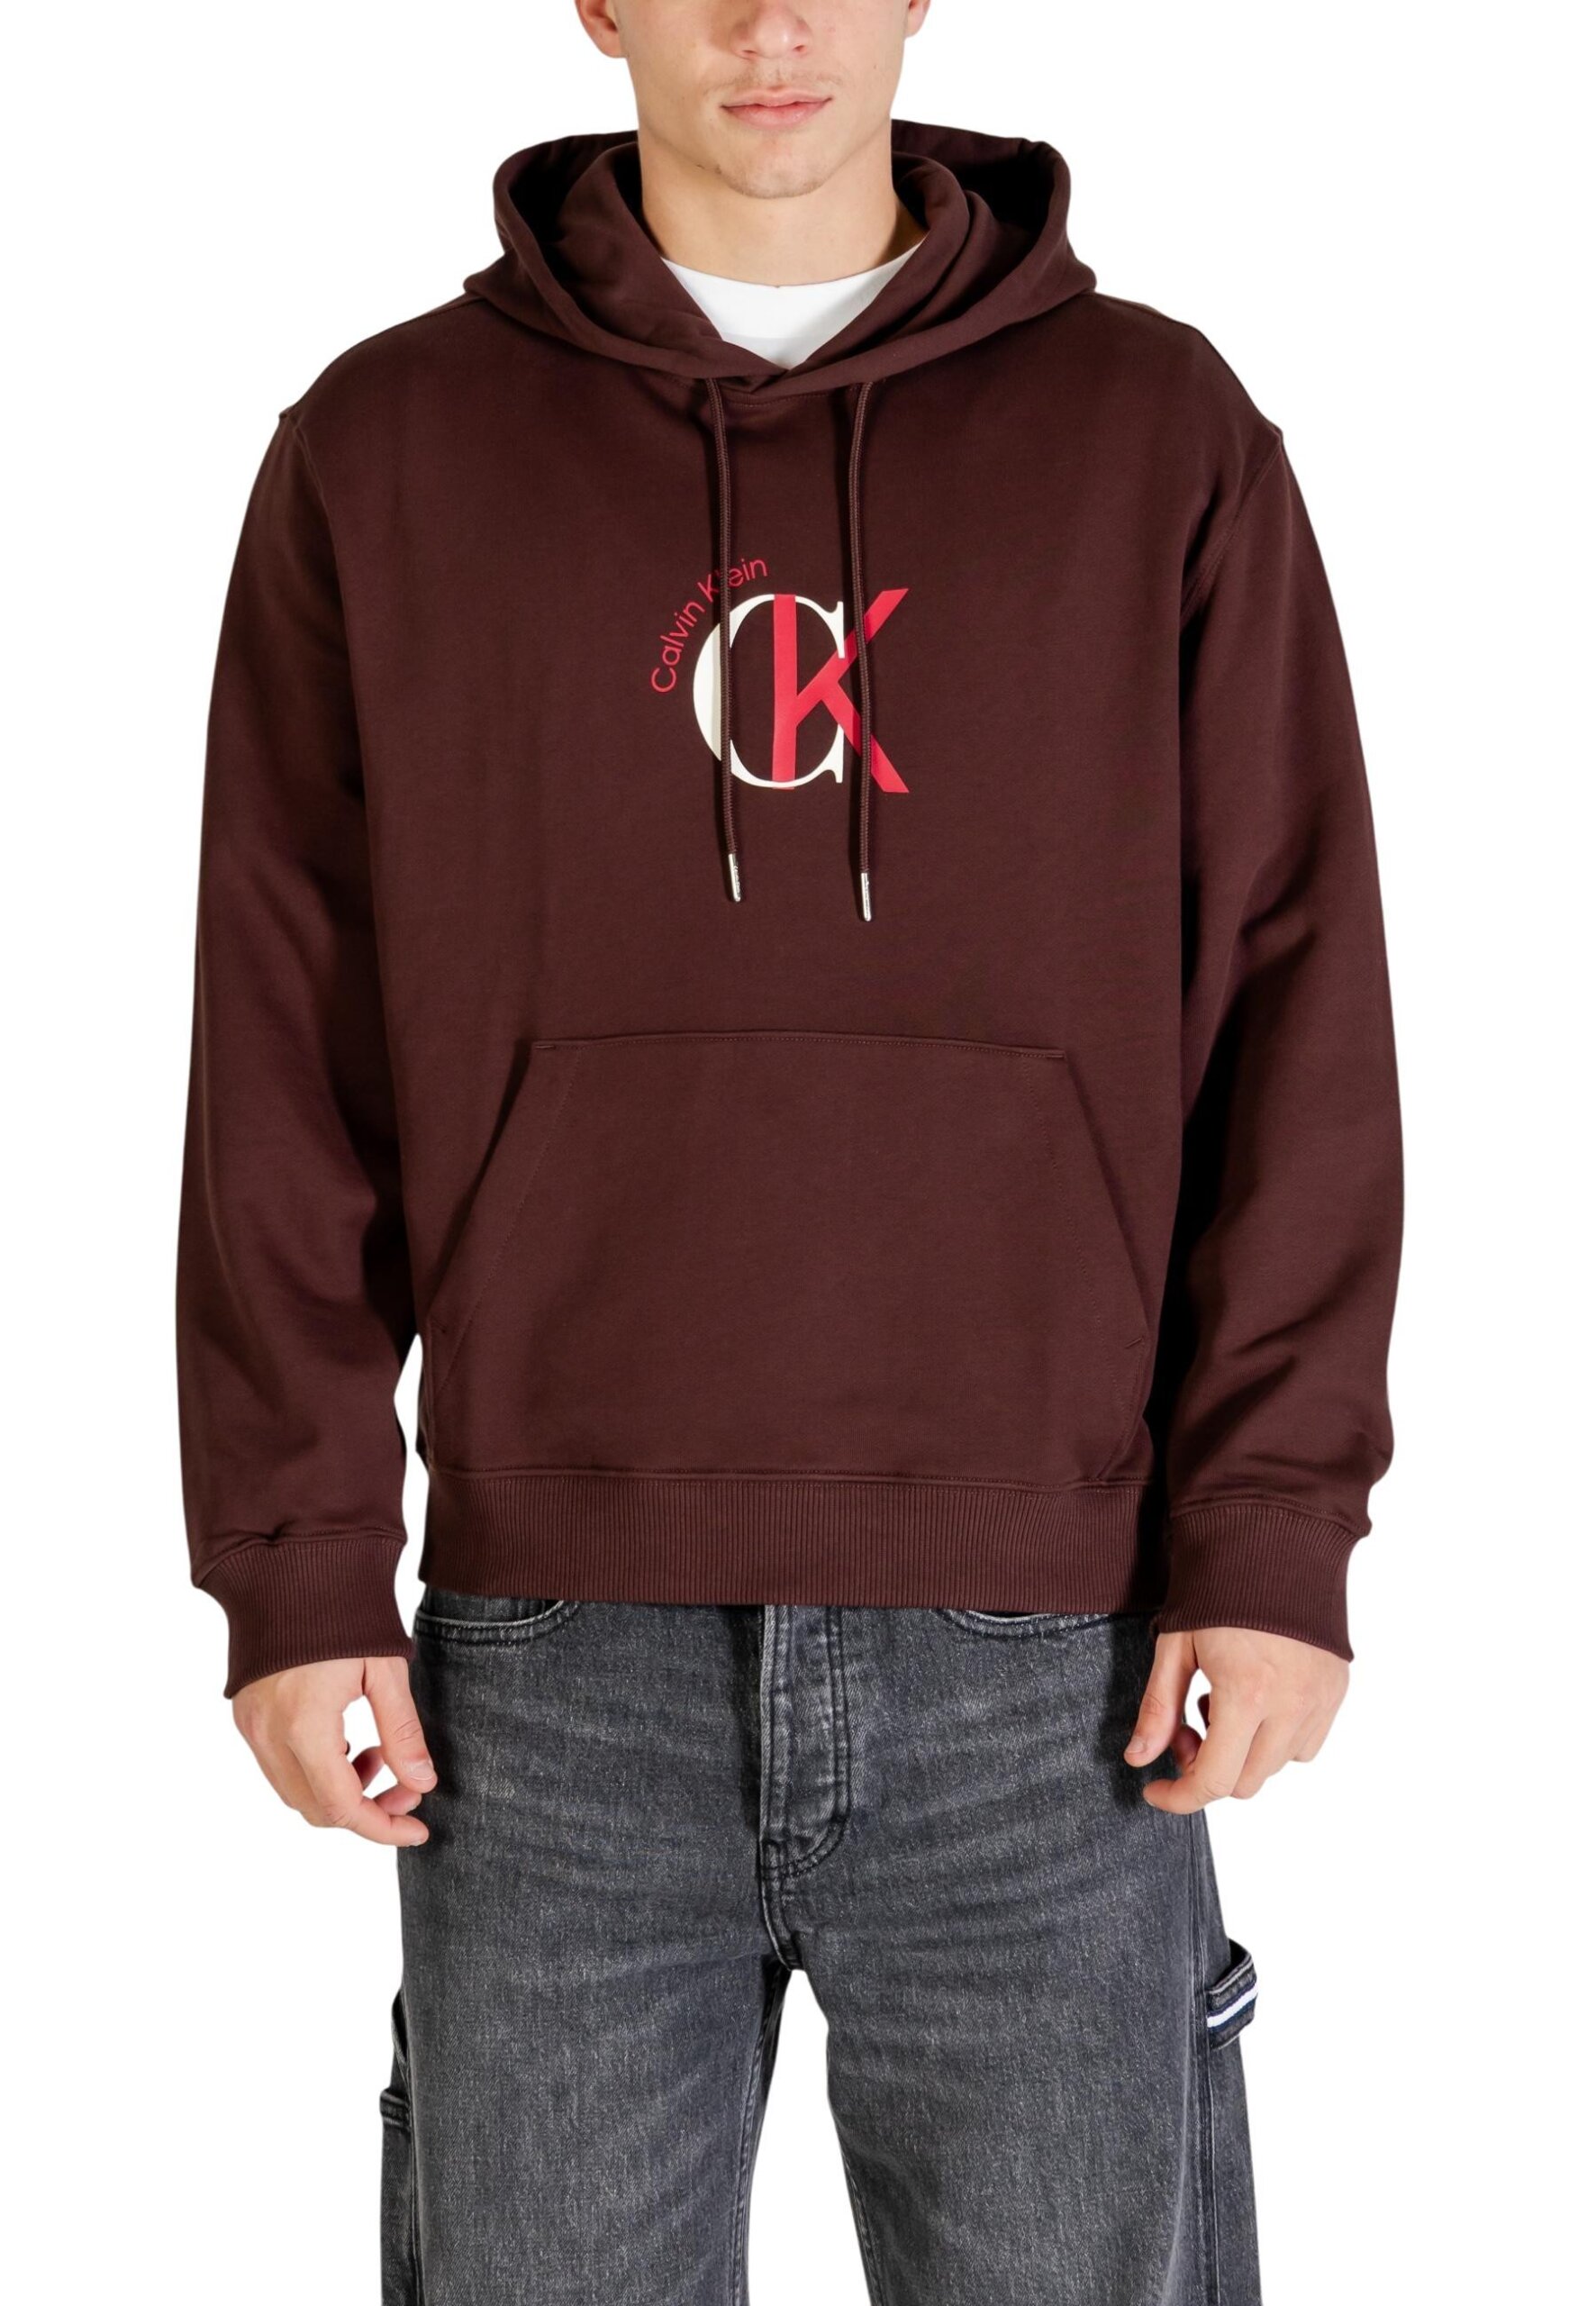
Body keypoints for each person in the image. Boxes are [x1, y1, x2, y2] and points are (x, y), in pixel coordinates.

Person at [175, 3, 1402, 2299]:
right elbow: (282, 1034)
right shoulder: (386, 446)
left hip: (1053, 1655)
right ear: (597, 2)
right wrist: (295, 1556)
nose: (771, 22)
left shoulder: (1156, 432)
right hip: (550, 1671)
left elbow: (1293, 990)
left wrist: (1271, 1525)